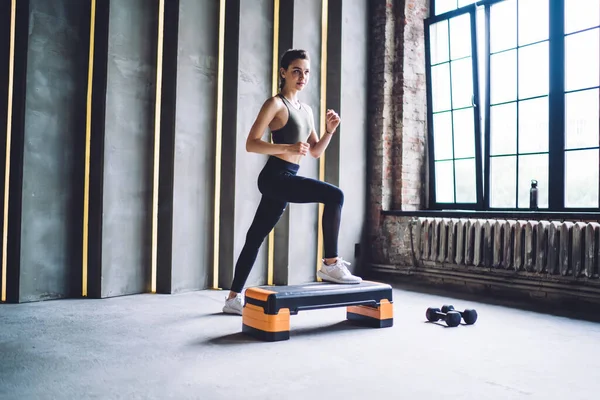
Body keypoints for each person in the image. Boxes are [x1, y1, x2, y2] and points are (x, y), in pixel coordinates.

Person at [222, 49, 362, 316]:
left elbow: (315, 150)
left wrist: (330, 131)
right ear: (283, 72)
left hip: (288, 177)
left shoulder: (307, 110)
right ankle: (330, 263)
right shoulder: (275, 104)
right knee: (335, 196)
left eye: (306, 72)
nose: (302, 76)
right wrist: (287, 146)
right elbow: (251, 144)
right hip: (275, 177)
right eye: (296, 70)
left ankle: (232, 298)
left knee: (254, 237)